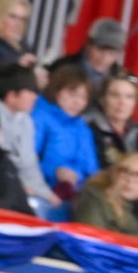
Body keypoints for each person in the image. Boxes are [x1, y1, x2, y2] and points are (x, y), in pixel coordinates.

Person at [0, 62, 55, 208]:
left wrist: (46, 193)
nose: (35, 97)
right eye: (30, 91)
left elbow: (30, 166)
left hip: (23, 190)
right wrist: (18, 188)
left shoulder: (26, 121)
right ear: (12, 96)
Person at [32, 64, 98, 197]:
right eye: (72, 94)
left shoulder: (84, 129)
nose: (78, 102)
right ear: (56, 91)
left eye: (83, 98)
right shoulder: (39, 117)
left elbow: (91, 170)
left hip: (74, 195)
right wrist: (55, 172)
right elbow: (26, 160)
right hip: (41, 191)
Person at [87, 71, 138, 168]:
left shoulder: (137, 131)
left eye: (129, 97)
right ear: (102, 99)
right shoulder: (89, 128)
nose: (122, 102)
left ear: (135, 102)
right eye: (115, 95)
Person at [46, 16, 125, 92]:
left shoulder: (120, 77)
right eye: (100, 50)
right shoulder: (62, 66)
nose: (104, 57)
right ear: (88, 45)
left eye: (111, 53)